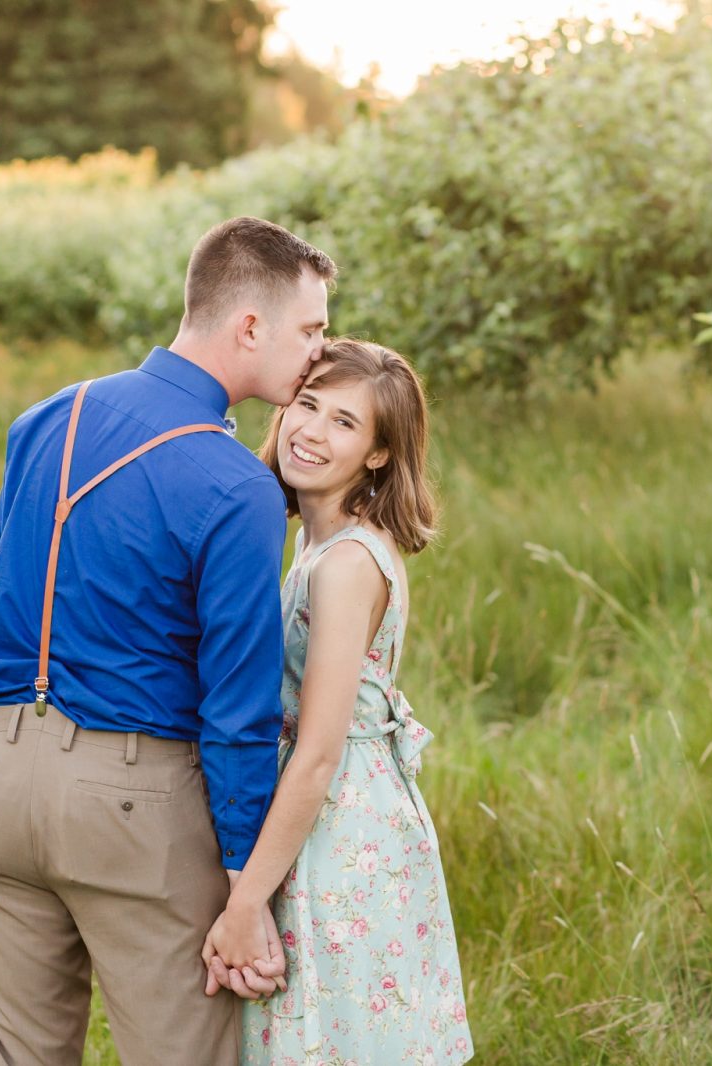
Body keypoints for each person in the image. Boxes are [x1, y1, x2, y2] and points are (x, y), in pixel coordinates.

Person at [0, 216, 336, 1065]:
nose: (320, 350)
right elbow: (236, 709)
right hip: (137, 806)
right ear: (249, 327)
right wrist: (247, 887)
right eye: (311, 329)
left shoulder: (46, 418)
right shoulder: (236, 483)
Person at [201, 339, 474, 1064]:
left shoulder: (350, 562)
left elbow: (320, 753)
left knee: (344, 1039)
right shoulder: (316, 547)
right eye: (308, 404)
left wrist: (244, 903)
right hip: (319, 820)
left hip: (341, 830)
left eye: (345, 423)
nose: (311, 431)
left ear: (380, 454)